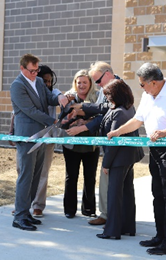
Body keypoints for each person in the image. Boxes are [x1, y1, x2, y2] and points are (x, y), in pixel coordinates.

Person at [107, 63, 166, 255]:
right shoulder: (149, 95)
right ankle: (161, 236)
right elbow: (138, 120)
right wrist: (118, 131)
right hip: (156, 148)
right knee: (158, 194)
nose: (141, 89)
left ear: (153, 82)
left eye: (142, 85)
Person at [67, 79, 144, 239]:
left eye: (108, 95)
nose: (106, 98)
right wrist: (81, 109)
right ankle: (127, 227)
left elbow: (113, 142)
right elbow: (100, 110)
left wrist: (106, 164)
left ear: (116, 94)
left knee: (114, 194)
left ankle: (112, 231)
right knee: (127, 193)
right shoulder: (125, 108)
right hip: (128, 157)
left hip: (119, 158)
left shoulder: (120, 113)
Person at [10, 54, 68, 231]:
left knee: (36, 175)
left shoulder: (40, 82)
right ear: (22, 69)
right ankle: (19, 216)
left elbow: (48, 98)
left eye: (37, 70)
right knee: (26, 176)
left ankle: (26, 213)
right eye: (32, 71)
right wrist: (53, 121)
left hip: (42, 135)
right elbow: (30, 110)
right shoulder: (17, 86)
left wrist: (60, 98)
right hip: (28, 136)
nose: (35, 74)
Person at [71, 61, 120, 226]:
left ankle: (112, 217)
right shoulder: (106, 89)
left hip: (116, 144)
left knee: (114, 182)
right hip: (107, 143)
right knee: (106, 181)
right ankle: (108, 215)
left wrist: (83, 126)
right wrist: (82, 109)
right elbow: (100, 108)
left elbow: (102, 113)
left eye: (97, 81)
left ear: (107, 74)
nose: (97, 85)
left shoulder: (117, 89)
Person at [62, 69, 102, 219]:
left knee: (90, 176)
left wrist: (85, 121)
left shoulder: (97, 97)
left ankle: (89, 209)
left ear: (90, 83)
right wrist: (76, 120)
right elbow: (64, 119)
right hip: (71, 144)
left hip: (91, 144)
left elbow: (100, 116)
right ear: (75, 83)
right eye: (79, 82)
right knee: (71, 176)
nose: (82, 85)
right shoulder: (69, 97)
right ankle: (69, 209)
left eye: (85, 82)